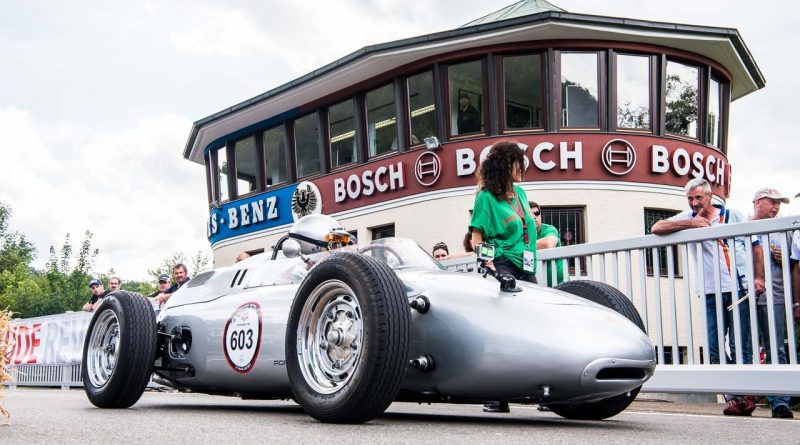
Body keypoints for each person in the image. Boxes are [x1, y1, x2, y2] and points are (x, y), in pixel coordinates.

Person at [651, 178, 753, 416]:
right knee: (715, 348)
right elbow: (656, 227)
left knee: (740, 345)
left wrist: (755, 278)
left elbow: (753, 243)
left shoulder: (732, 215)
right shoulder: (689, 217)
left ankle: (747, 392)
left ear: (709, 196)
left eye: (698, 197)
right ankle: (734, 396)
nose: (695, 202)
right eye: (690, 199)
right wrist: (690, 223)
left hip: (737, 288)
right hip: (709, 291)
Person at [468, 141, 537, 414]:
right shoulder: (486, 197)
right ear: (507, 164)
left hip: (526, 266)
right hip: (503, 264)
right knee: (505, 329)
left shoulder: (520, 194)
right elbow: (477, 237)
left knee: (535, 324)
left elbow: (528, 227)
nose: (524, 167)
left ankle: (542, 387)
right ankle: (496, 393)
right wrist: (489, 265)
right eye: (520, 162)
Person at [749, 188, 793, 419]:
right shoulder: (742, 225)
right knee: (745, 348)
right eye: (772, 202)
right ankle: (745, 399)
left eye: (779, 203)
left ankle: (779, 402)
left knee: (776, 347)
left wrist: (780, 259)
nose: (776, 207)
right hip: (744, 296)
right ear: (758, 202)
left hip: (774, 297)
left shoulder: (783, 230)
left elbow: (794, 262)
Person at [530, 201, 565, 286]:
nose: (534, 216)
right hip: (537, 287)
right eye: (529, 214)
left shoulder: (548, 229)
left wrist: (521, 246)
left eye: (536, 213)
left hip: (560, 285)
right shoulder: (521, 234)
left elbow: (549, 244)